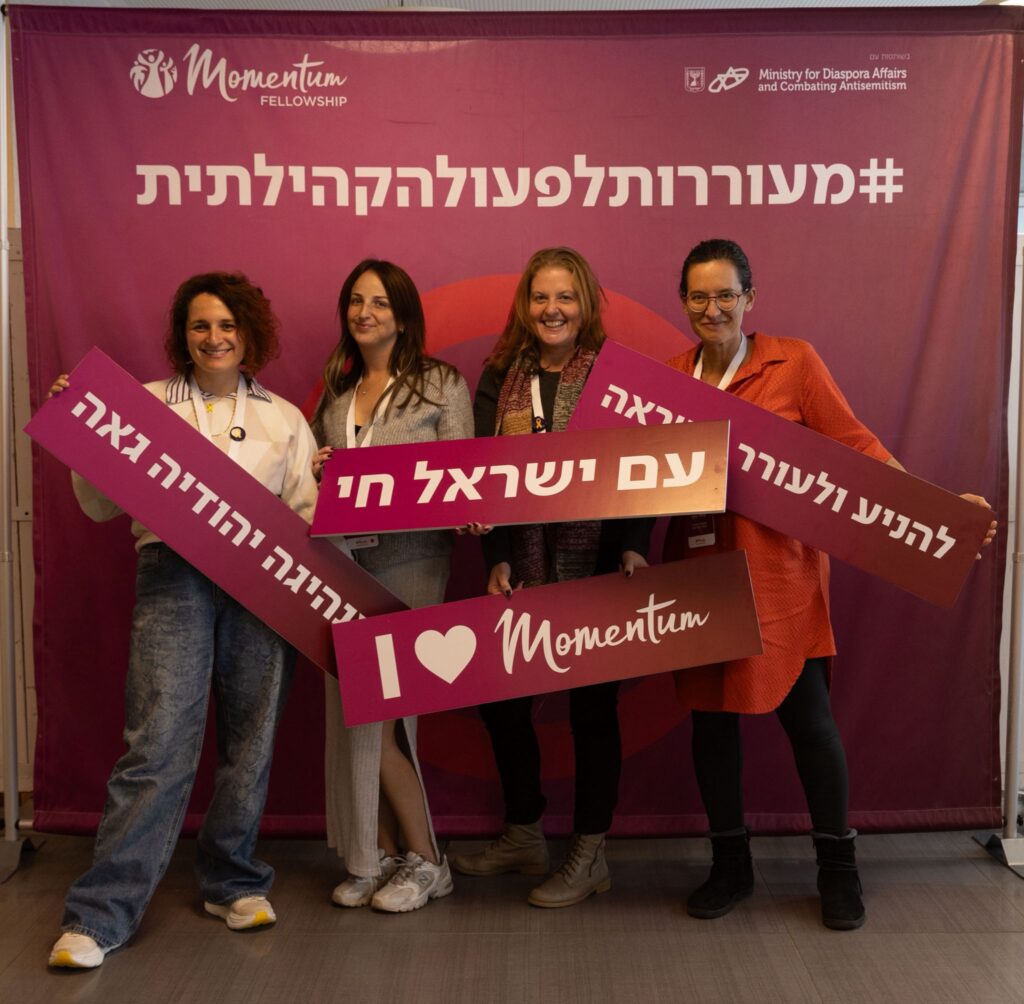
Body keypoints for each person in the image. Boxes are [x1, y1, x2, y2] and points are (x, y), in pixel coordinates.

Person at [665, 238, 996, 931]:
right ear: (684, 301)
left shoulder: (794, 362)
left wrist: (932, 510)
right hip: (699, 577)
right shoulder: (669, 380)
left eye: (726, 294)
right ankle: (730, 866)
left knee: (810, 723)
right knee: (711, 724)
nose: (712, 308)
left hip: (780, 576)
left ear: (750, 298)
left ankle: (839, 870)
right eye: (699, 295)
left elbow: (856, 444)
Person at [47, 272, 318, 969]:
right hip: (173, 575)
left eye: (227, 324)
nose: (214, 337)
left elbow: (305, 515)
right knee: (158, 740)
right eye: (201, 325)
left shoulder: (285, 418)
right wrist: (82, 431)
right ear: (182, 335)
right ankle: (99, 914)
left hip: (264, 582)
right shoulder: (141, 406)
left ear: (249, 333)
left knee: (250, 738)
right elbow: (100, 505)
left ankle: (234, 881)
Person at [450, 247, 651, 908]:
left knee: (592, 710)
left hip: (599, 565)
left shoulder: (616, 376)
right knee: (502, 699)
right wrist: (498, 556)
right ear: (525, 305)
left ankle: (590, 851)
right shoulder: (502, 377)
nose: (552, 309)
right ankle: (524, 834)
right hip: (524, 566)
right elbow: (489, 474)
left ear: (585, 304)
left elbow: (641, 467)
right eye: (541, 297)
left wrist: (634, 546)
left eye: (565, 297)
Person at [311, 259, 473, 913]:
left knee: (388, 716)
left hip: (412, 562)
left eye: (379, 302)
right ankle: (372, 855)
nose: (365, 312)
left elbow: (463, 474)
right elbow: (318, 487)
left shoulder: (440, 384)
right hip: (342, 564)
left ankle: (429, 860)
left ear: (403, 315)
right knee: (355, 714)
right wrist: (321, 469)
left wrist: (469, 505)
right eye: (356, 300)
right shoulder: (337, 391)